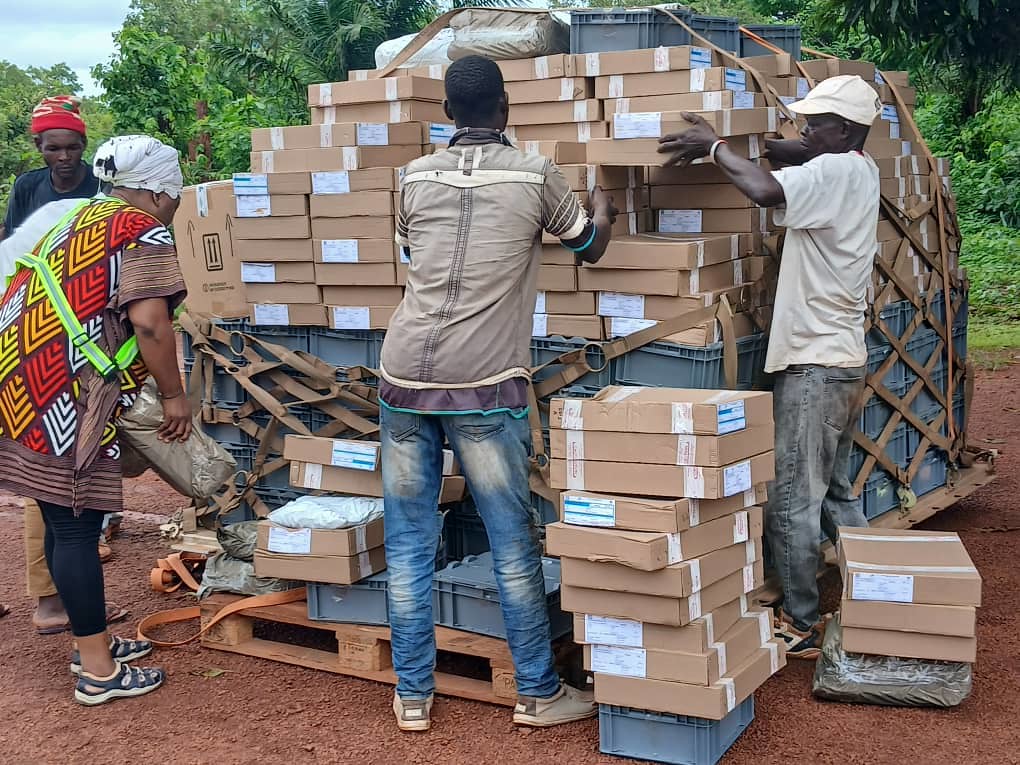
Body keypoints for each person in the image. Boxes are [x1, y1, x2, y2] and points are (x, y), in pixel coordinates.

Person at [378, 55, 618, 732]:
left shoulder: (414, 176)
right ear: (505, 110)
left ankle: (414, 696)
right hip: (482, 385)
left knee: (408, 542)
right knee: (513, 542)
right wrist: (604, 204)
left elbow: (412, 256)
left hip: (401, 379)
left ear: (448, 114)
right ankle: (539, 692)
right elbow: (589, 246)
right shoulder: (536, 173)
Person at [657, 75, 882, 660]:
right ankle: (881, 591)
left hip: (813, 364)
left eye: (816, 124)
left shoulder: (832, 173)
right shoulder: (858, 167)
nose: (804, 130)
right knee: (833, 491)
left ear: (848, 132)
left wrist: (714, 148)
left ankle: (800, 619)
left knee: (793, 495)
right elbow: (796, 161)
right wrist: (788, 147)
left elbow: (761, 190)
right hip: (840, 358)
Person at [0, 134, 191, 705]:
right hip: (65, 395)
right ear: (159, 191)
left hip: (23, 378)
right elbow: (152, 325)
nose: (176, 207)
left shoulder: (81, 219)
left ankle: (90, 644)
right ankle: (99, 673)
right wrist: (174, 396)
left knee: (64, 524)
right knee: (77, 527)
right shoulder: (142, 230)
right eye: (175, 197)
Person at [0, 95, 125, 634]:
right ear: (38, 147)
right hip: (40, 340)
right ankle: (52, 599)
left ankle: (68, 594)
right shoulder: (29, 188)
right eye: (54, 148)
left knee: (68, 483)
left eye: (73, 147)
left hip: (88, 338)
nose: (64, 157)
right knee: (49, 478)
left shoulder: (100, 190)